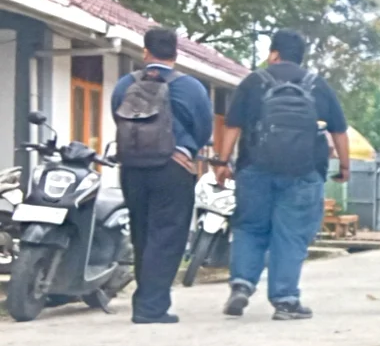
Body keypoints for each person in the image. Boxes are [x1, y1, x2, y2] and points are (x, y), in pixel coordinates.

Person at [213, 30, 350, 320]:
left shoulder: (254, 82)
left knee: (249, 227)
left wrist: (222, 162)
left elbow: (232, 125)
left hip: (255, 170)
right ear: (301, 57)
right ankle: (285, 301)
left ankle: (241, 285)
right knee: (290, 235)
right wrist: (345, 168)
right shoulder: (317, 85)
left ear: (274, 53)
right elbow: (339, 130)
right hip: (303, 172)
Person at [111, 27, 215, 324]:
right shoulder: (190, 87)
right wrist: (186, 150)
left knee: (141, 233)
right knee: (166, 236)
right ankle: (151, 307)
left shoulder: (124, 85)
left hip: (132, 169)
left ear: (146, 52)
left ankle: (144, 299)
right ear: (175, 53)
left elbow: (118, 118)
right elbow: (204, 129)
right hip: (173, 168)